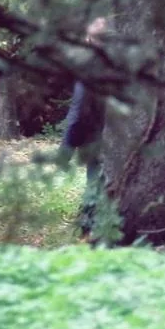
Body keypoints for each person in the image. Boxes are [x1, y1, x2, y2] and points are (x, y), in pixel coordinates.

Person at [55, 17, 108, 233]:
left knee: (95, 180)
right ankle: (92, 226)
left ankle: (89, 227)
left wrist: (66, 149)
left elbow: (79, 107)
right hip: (115, 134)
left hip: (97, 135)